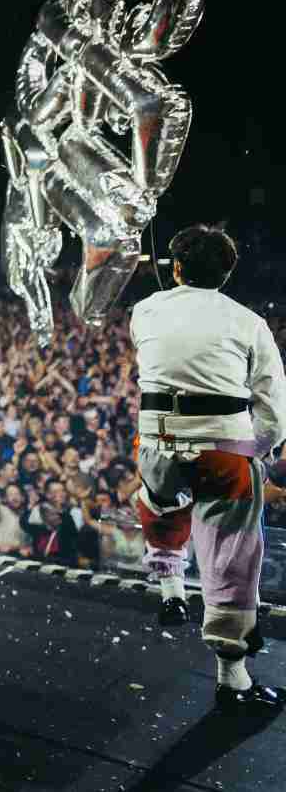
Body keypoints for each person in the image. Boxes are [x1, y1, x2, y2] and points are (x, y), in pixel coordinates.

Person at [130, 224, 286, 714]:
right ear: (228, 273)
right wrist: (259, 450)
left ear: (175, 267)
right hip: (224, 450)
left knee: (159, 500)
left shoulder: (145, 310)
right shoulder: (249, 322)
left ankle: (171, 587)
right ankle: (232, 677)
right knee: (231, 555)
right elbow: (274, 407)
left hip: (156, 440)